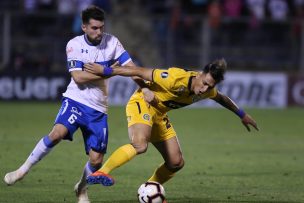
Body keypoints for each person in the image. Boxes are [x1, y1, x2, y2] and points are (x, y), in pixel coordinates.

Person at [3, 5, 154, 203]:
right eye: (94, 28)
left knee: (97, 160)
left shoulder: (112, 43)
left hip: (99, 108)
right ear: (84, 27)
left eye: (101, 27)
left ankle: (81, 189)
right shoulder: (74, 45)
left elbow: (131, 68)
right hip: (76, 99)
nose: (99, 32)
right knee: (57, 133)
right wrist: (107, 70)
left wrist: (144, 88)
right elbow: (79, 77)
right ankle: (22, 170)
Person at [82, 58, 259, 188]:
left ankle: (149, 189)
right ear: (199, 75)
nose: (204, 89)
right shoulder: (174, 78)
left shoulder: (207, 90)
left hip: (159, 114)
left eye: (209, 86)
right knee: (140, 145)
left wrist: (242, 114)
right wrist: (105, 71)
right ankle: (102, 172)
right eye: (204, 83)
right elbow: (138, 71)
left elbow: (222, 98)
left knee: (176, 162)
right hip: (142, 103)